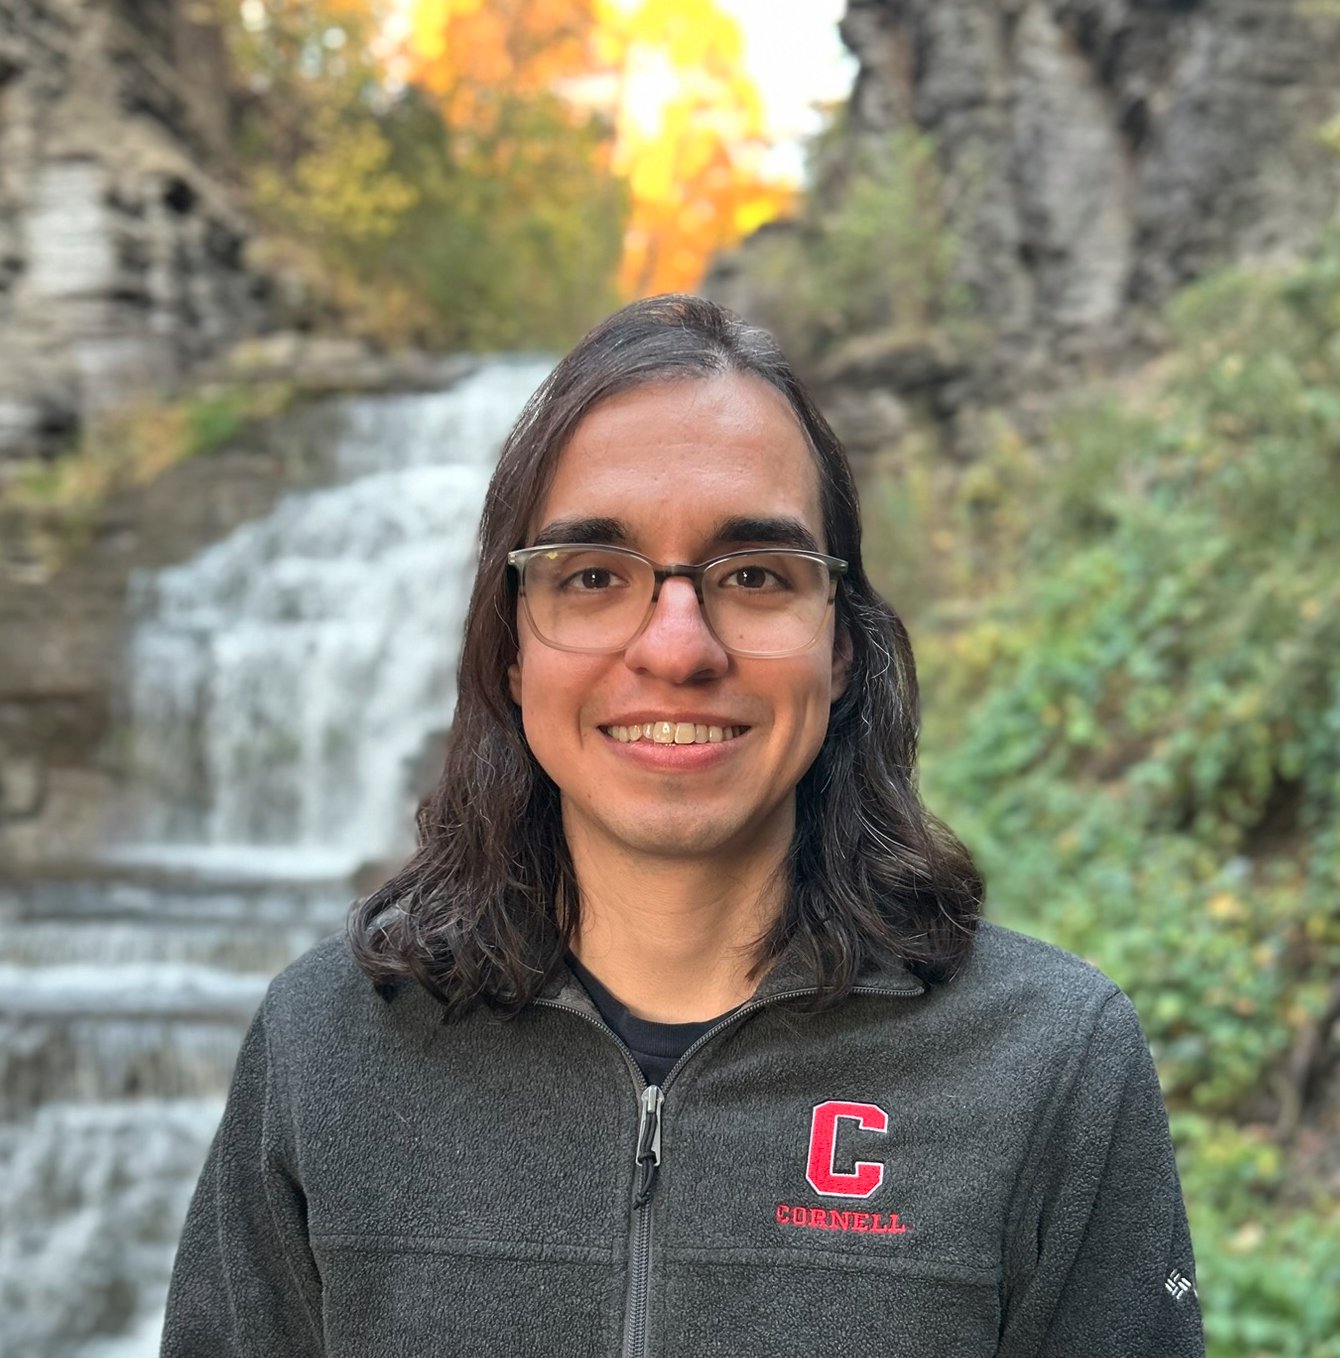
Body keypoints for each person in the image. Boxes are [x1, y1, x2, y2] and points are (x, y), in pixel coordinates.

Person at [161, 294, 1204, 1357]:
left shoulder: (1047, 1064)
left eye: (753, 576)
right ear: (510, 649)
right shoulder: (329, 1047)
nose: (675, 647)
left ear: (841, 647)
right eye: (591, 576)